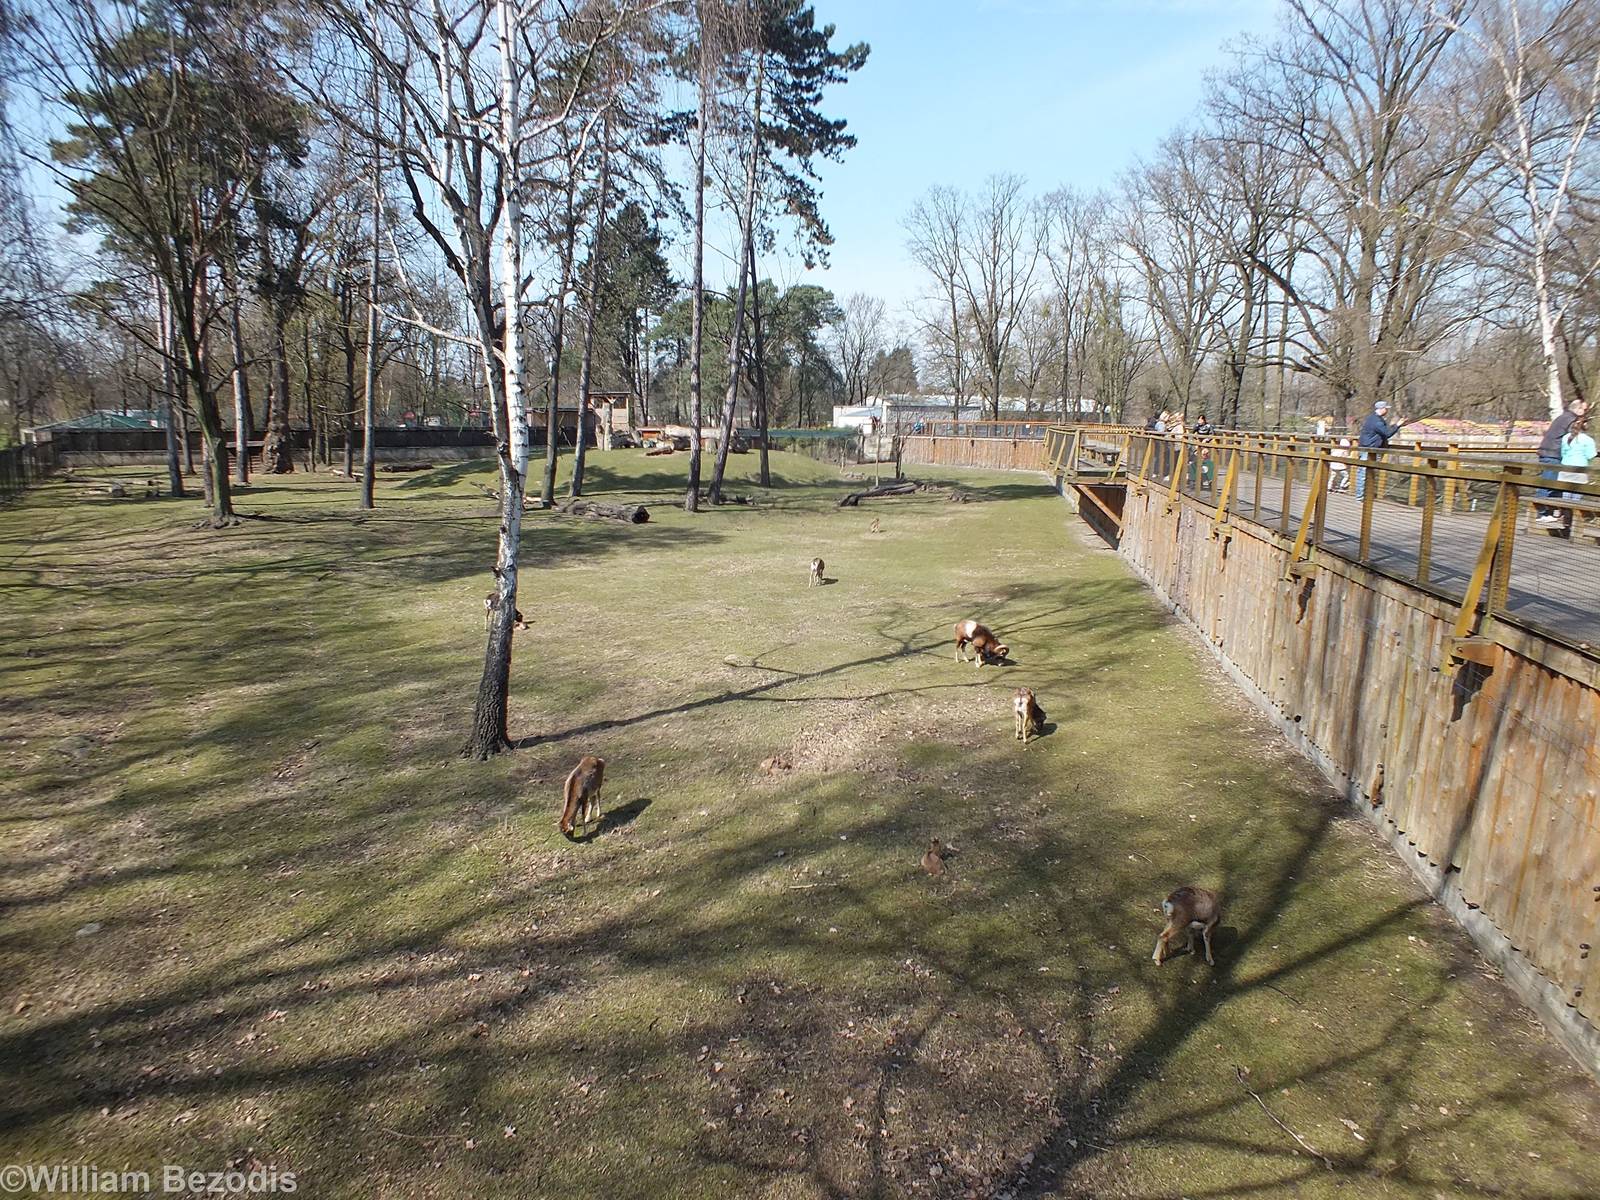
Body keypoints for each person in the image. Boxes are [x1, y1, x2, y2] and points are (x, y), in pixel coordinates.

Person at [1536, 397, 1591, 523]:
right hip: (1553, 454)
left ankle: (1549, 512)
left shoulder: (1563, 417)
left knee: (1553, 485)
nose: (1586, 411)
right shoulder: (1572, 420)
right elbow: (1573, 438)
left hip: (1548, 452)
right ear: (1577, 409)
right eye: (1584, 409)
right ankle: (1542, 513)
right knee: (1548, 484)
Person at [1553, 415, 1597, 533]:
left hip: (1565, 470)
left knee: (1566, 498)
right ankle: (1575, 526)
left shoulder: (1566, 437)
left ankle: (1566, 524)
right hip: (1580, 471)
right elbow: (1591, 455)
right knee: (1577, 500)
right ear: (1585, 425)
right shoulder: (1588, 440)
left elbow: (1562, 453)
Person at [1355, 400, 1405, 500]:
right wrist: (1397, 425)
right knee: (1364, 472)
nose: (1387, 410)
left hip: (1368, 448)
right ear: (1382, 409)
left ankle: (1363, 494)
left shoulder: (1373, 418)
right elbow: (1387, 433)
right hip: (1369, 449)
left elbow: (1384, 431)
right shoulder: (1377, 421)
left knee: (1365, 472)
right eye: (1386, 408)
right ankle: (1360, 496)